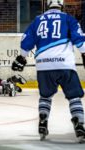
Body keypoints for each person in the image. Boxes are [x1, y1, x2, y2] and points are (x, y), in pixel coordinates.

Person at [12, 0, 85, 142]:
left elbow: (26, 41)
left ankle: (43, 121)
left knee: (45, 97)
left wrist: (22, 57)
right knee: (74, 97)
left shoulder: (37, 20)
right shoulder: (68, 19)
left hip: (43, 66)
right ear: (61, 5)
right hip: (64, 65)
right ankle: (79, 123)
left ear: (48, 5)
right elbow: (79, 40)